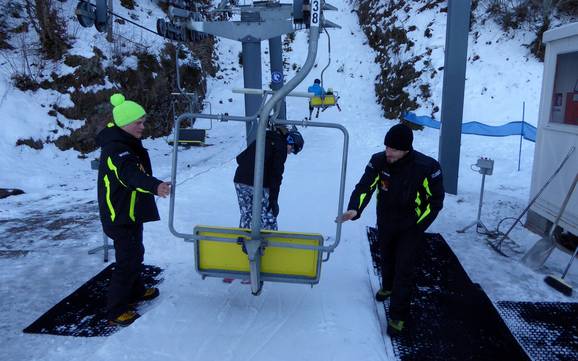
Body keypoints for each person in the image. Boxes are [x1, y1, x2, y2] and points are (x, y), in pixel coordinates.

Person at [336, 123, 444, 335]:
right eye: (387, 147)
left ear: (406, 149)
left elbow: (435, 202)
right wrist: (354, 209)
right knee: (386, 256)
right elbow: (365, 186)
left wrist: (418, 226)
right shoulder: (378, 161)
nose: (388, 152)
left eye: (393, 149)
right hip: (386, 220)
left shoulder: (427, 167)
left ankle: (397, 316)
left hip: (411, 225)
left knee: (404, 268)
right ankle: (387, 286)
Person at [96, 93, 171, 326]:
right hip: (118, 216)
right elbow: (130, 175)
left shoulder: (125, 143)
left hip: (129, 212)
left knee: (135, 252)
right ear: (124, 124)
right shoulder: (116, 150)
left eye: (143, 121)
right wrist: (155, 186)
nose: (143, 126)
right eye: (138, 122)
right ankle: (115, 310)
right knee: (127, 259)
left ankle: (136, 289)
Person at [233, 126, 304, 231]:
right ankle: (270, 238)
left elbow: (240, 158)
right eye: (292, 149)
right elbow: (276, 176)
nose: (290, 152)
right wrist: (273, 201)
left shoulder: (264, 138)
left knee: (247, 212)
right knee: (268, 213)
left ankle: (244, 236)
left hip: (240, 180)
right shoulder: (281, 148)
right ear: (290, 140)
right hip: (259, 183)